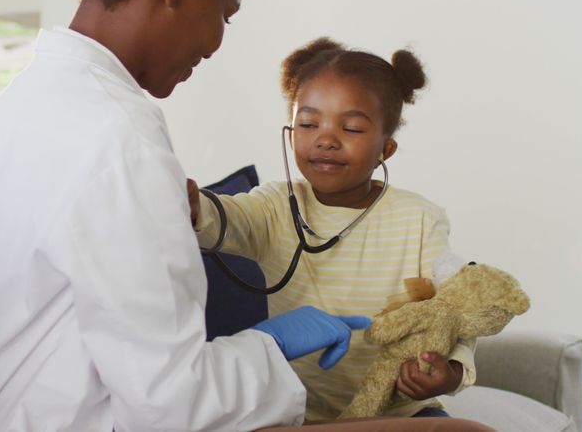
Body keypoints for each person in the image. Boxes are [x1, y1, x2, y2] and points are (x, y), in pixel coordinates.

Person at [0, 0, 374, 431]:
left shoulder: (15, 110)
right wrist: (272, 348)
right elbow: (173, 406)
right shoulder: (118, 133)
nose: (216, 43)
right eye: (224, 13)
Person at [189, 37, 477, 421]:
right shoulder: (275, 207)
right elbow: (221, 218)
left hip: (397, 415)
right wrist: (189, 205)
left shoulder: (420, 220)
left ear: (385, 150)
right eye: (308, 123)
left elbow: (457, 308)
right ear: (291, 131)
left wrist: (450, 372)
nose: (326, 139)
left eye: (353, 129)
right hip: (293, 414)